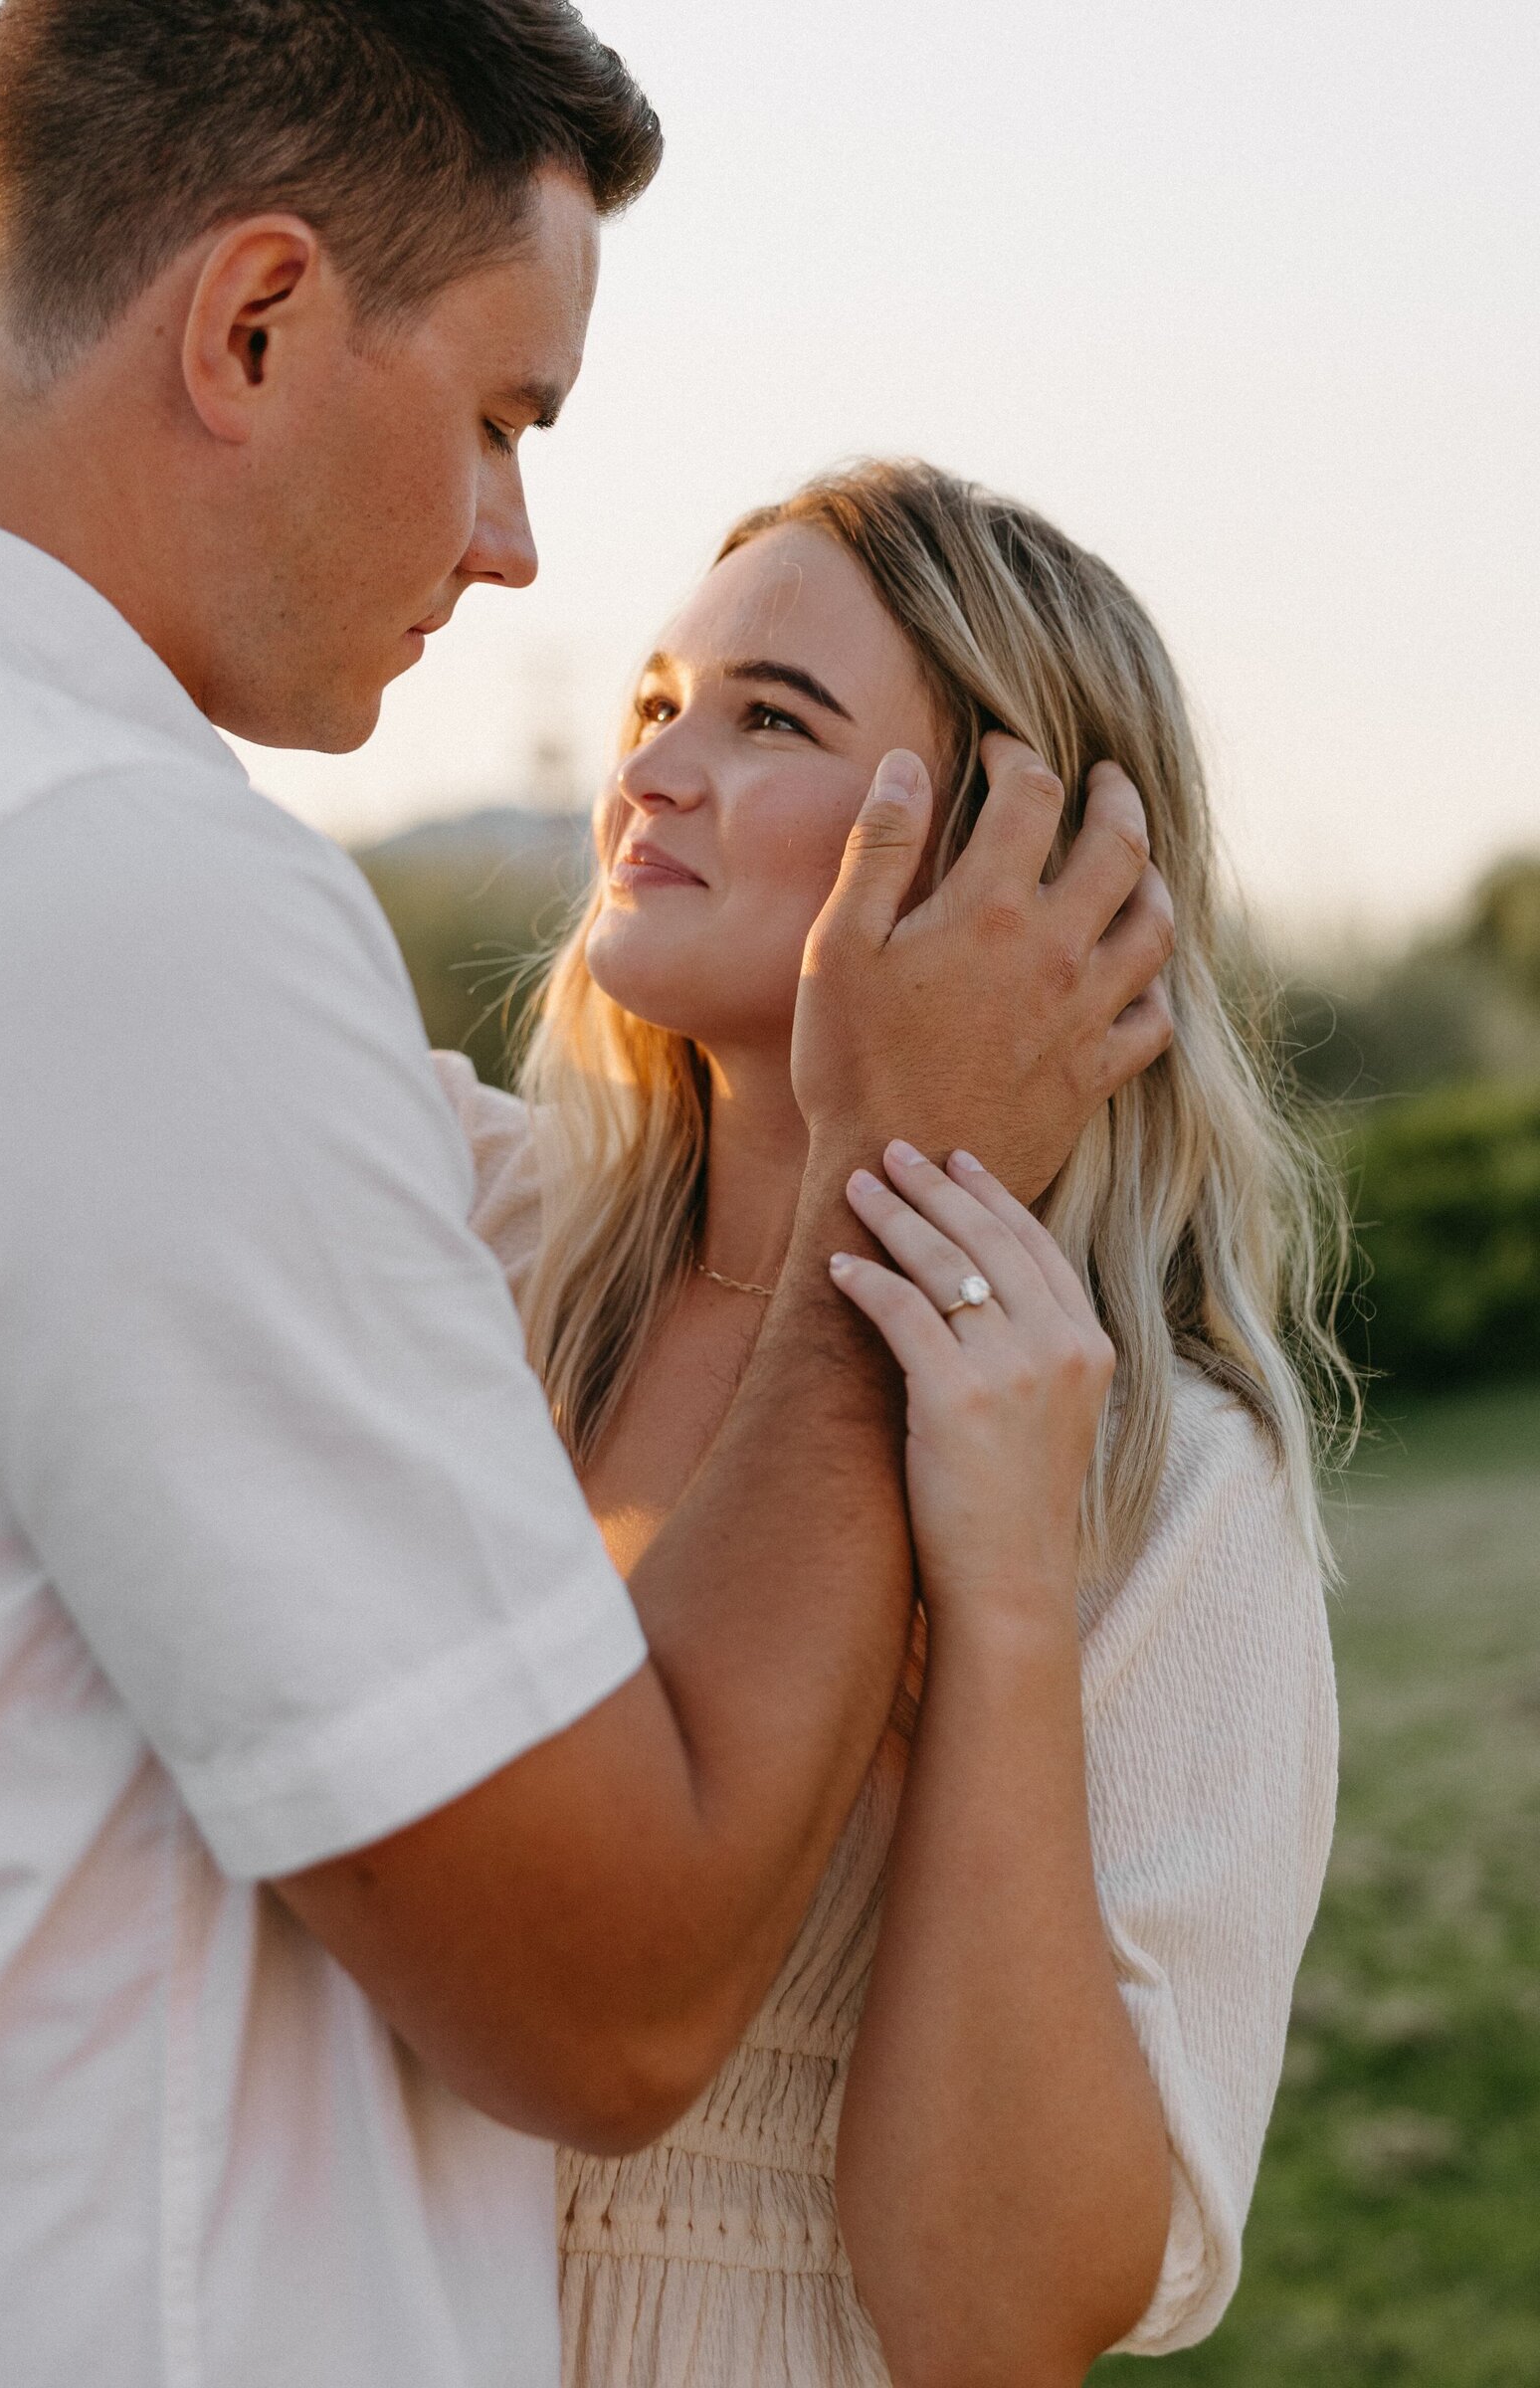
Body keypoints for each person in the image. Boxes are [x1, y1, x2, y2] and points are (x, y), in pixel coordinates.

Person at [0, 8, 1177, 2386]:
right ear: (256, 322)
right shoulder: (126, 903)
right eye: (505, 417)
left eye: (777, 719)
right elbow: (608, 1996)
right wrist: (890, 1190)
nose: (510, 545)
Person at [433, 459, 1350, 2386]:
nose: (651, 777)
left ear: (1019, 869)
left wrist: (998, 1601)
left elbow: (993, 2318)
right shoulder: (455, 1246)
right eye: (655, 707)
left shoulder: (1160, 1478)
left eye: (770, 719)